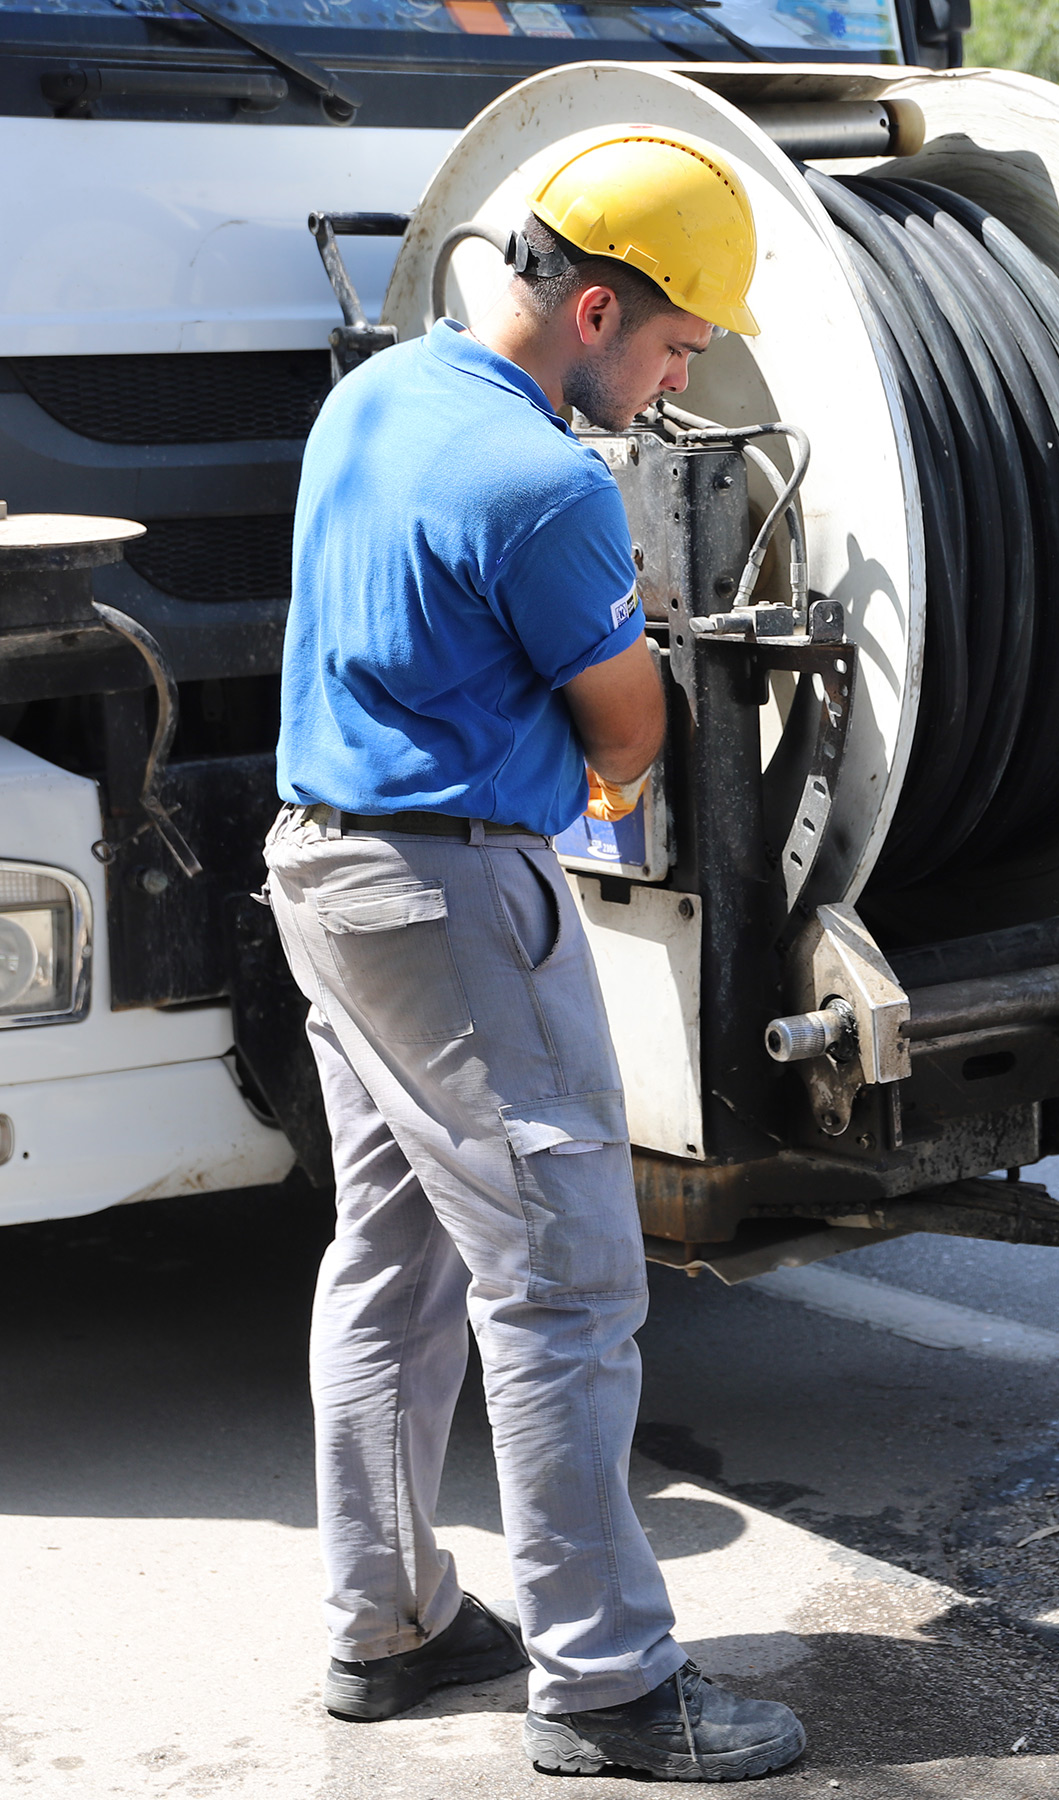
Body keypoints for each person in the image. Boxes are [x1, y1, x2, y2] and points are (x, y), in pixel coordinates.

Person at [264, 130, 807, 1779]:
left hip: (323, 872)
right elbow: (631, 724)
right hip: (451, 900)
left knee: (396, 1258)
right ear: (589, 309)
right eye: (672, 347)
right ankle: (611, 1688)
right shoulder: (550, 483)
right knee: (567, 1278)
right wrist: (611, 754)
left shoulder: (376, 394)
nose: (676, 383)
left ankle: (393, 1624)